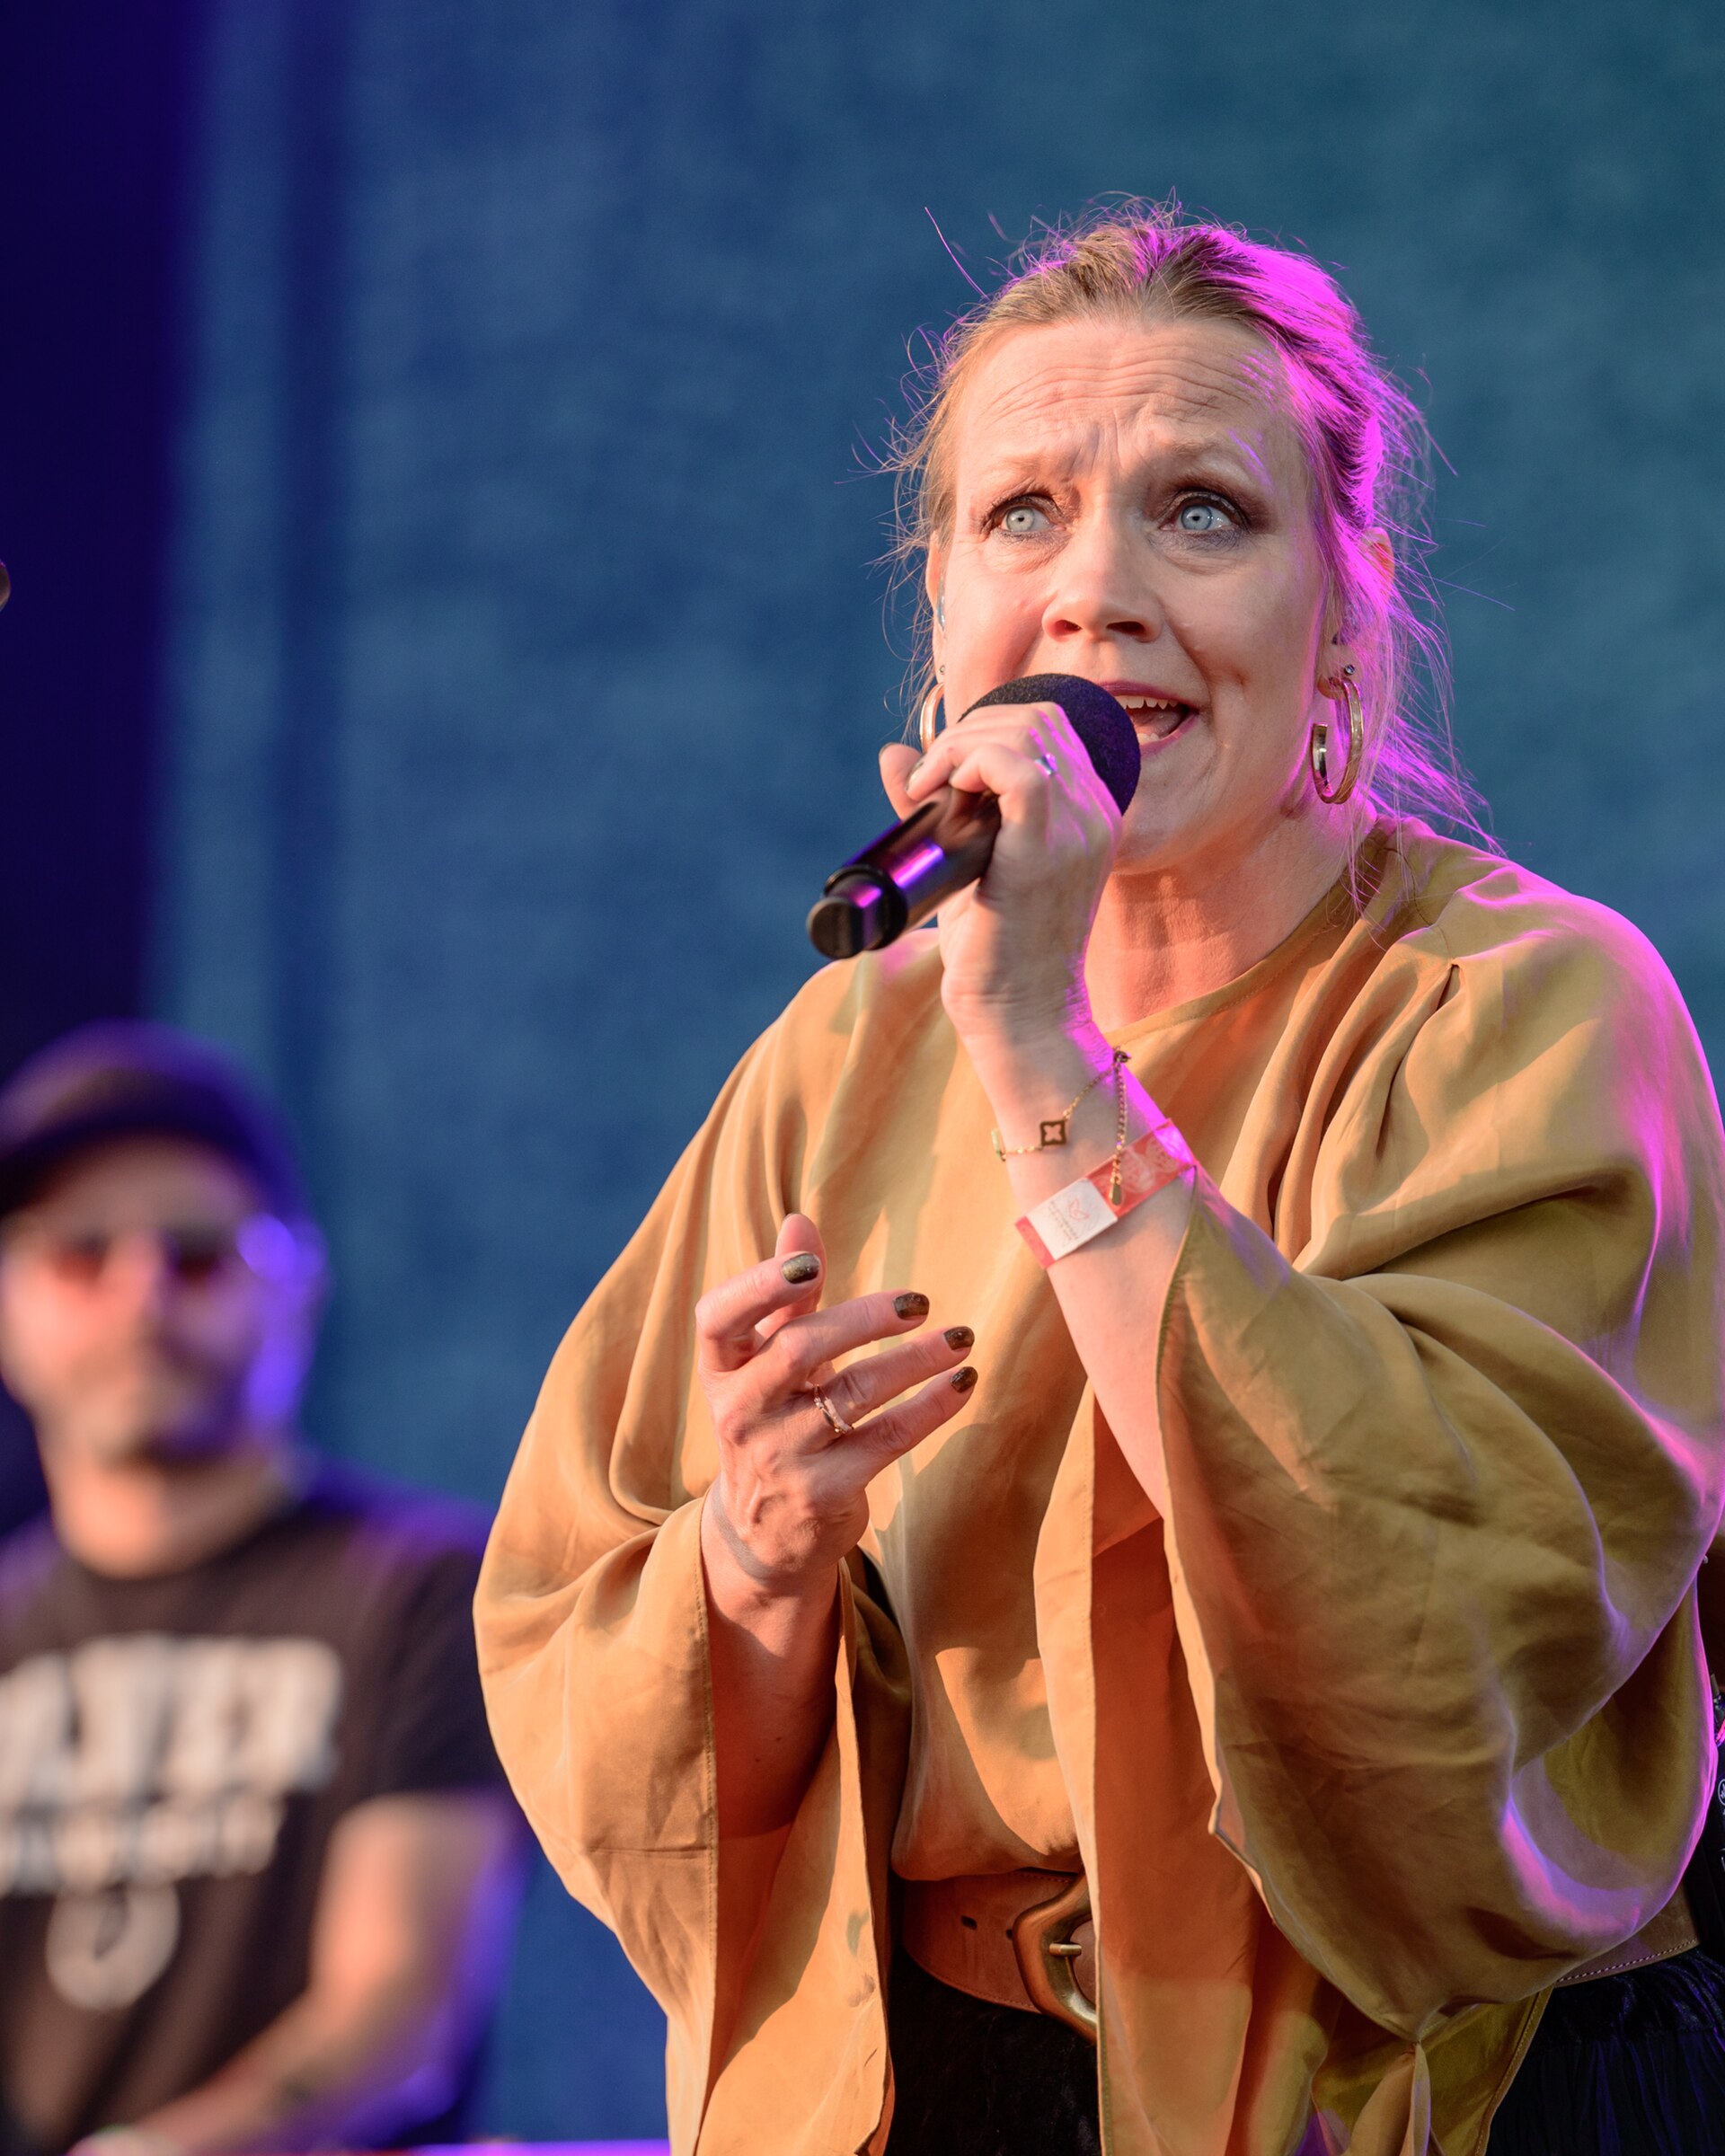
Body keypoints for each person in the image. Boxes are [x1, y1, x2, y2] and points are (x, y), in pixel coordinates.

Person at [475, 207, 1725, 2156]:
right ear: (940, 610)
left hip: (1411, 2087)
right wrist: (754, 1558)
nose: (1095, 597)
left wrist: (1046, 1054)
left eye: (1202, 513)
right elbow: (571, 1611)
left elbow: (1441, 1618)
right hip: (946, 2080)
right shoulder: (842, 1049)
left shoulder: (1522, 1003)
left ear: (1346, 615)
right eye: (1022, 518)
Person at [0, 1022, 524, 2156]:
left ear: (298, 1288)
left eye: (196, 1255)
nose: (142, 1296)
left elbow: (398, 2014)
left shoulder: (426, 1592)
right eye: (82, 1256)